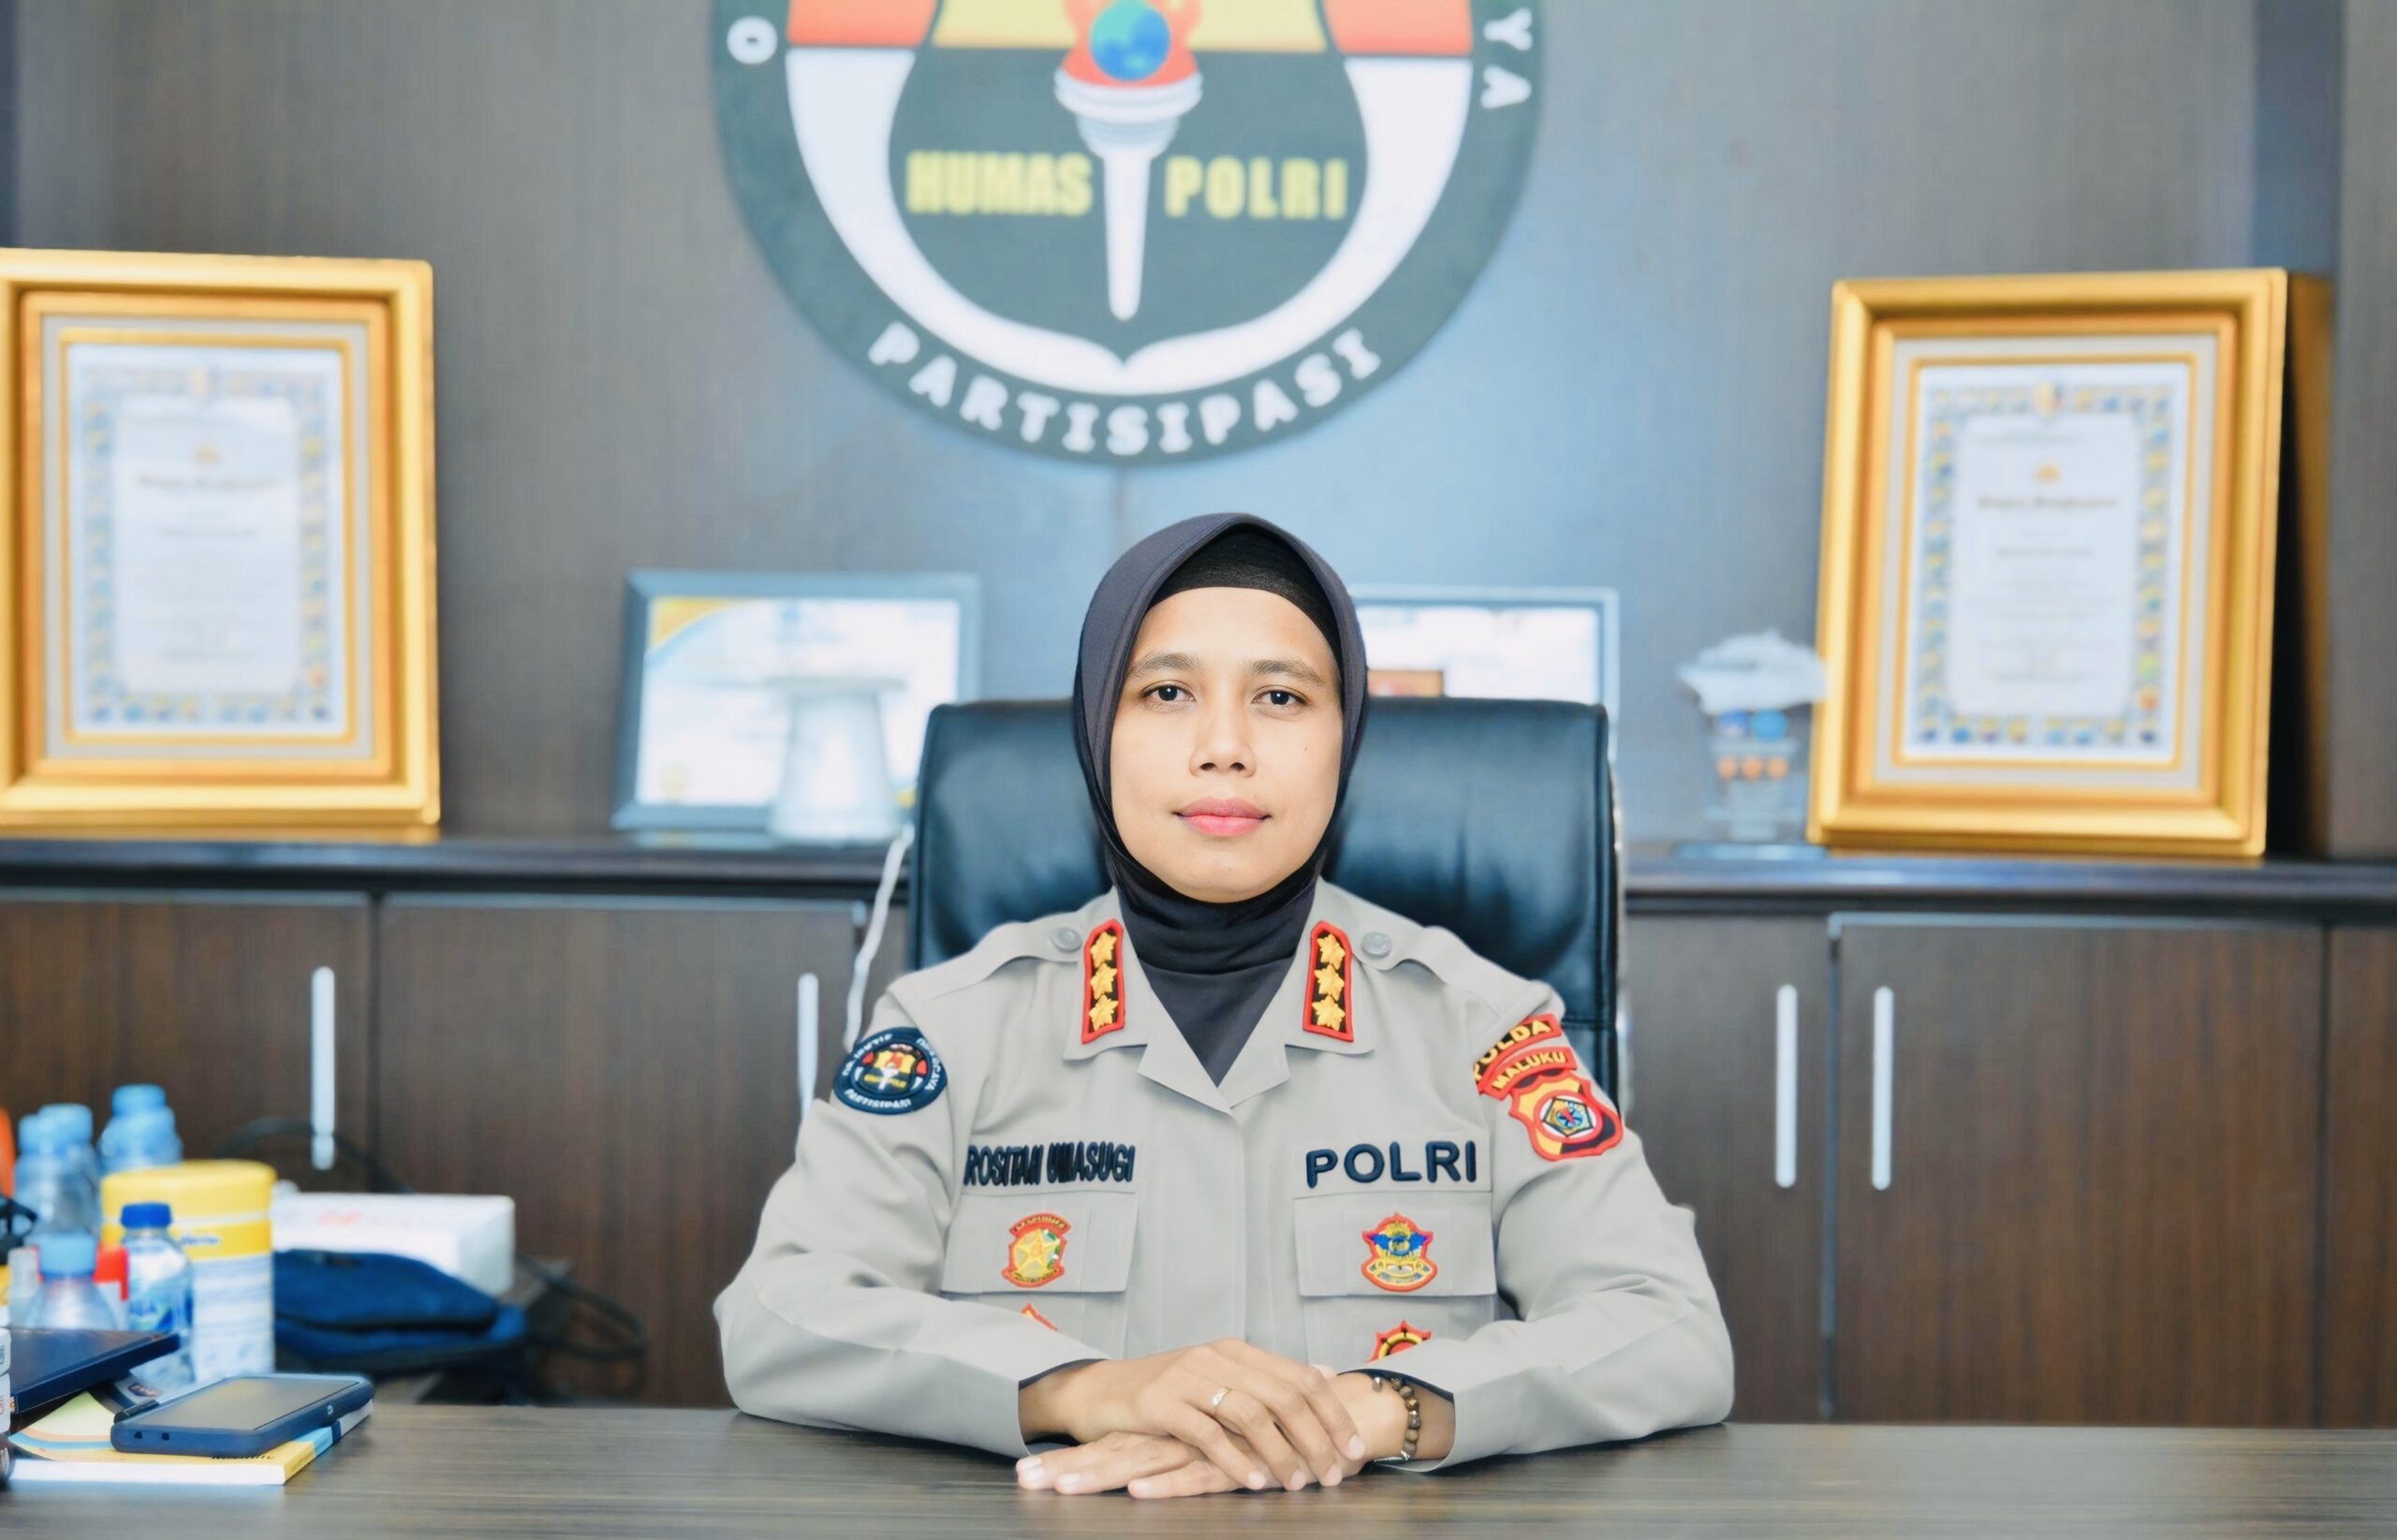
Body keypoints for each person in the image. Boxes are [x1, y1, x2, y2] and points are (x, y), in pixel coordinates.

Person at [717, 513, 1732, 1498]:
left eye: (1281, 697)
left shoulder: (1481, 1026)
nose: (1224, 746)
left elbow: (1670, 1327)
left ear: (1345, 738)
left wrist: (1368, 1411)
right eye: (1166, 692)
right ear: (1097, 731)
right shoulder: (953, 1026)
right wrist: (1084, 1389)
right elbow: (779, 1313)